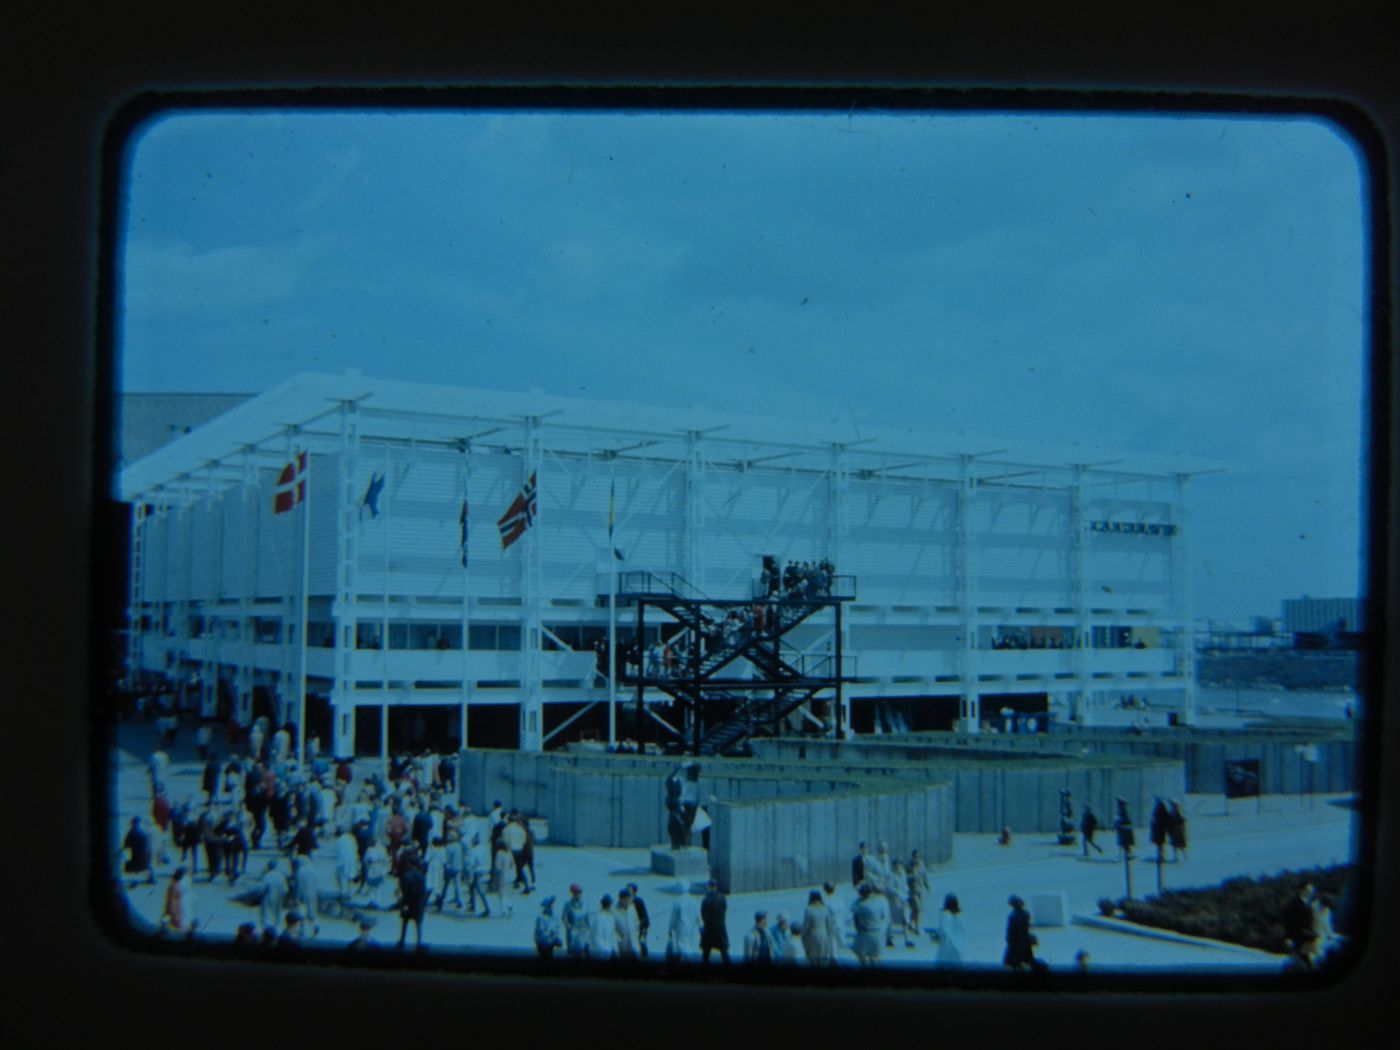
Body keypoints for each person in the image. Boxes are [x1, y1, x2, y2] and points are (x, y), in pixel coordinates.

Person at [850, 883, 889, 967]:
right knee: (875, 958)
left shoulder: (862, 905)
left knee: (860, 953)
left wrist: (858, 899)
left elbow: (852, 908)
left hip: (866, 933)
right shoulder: (879, 902)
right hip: (878, 932)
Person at [397, 852, 428, 950]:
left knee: (405, 922)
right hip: (418, 902)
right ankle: (419, 942)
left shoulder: (406, 875)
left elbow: (404, 892)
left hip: (409, 902)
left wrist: (402, 904)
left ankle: (402, 941)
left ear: (410, 864)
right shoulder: (421, 875)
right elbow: (424, 891)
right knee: (418, 923)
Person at [700, 878, 730, 964]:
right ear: (716, 887)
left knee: (706, 953)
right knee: (724, 952)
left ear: (709, 887)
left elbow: (703, 915)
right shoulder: (722, 898)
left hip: (709, 929)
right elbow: (724, 910)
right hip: (720, 928)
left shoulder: (706, 899)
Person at [1003, 895, 1037, 971]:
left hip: (1019, 938)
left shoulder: (1016, 915)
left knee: (1019, 956)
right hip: (1017, 939)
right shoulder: (1016, 915)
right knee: (1018, 956)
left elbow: (1022, 927)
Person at [800, 890, 834, 965]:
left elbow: (806, 926)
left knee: (814, 961)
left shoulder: (809, 909)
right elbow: (829, 926)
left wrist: (801, 936)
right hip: (824, 937)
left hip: (813, 938)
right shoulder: (825, 908)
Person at [162, 867, 195, 937]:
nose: (188, 877)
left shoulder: (177, 885)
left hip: (180, 914)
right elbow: (173, 904)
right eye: (186, 875)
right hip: (178, 916)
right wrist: (176, 916)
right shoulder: (176, 886)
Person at [123, 817, 156, 885]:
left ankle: (134, 881)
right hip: (144, 853)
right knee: (147, 865)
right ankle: (151, 878)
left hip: (136, 854)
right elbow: (148, 843)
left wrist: (124, 848)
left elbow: (126, 844)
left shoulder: (131, 833)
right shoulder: (142, 832)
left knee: (133, 867)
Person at [258, 859, 289, 932]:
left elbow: (262, 888)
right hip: (278, 898)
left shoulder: (267, 875)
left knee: (267, 914)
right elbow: (285, 890)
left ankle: (268, 930)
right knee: (277, 914)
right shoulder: (281, 876)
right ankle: (276, 930)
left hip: (268, 897)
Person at [936, 893, 966, 966]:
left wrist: (936, 934)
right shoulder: (960, 916)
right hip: (958, 949)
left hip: (946, 949)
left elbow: (943, 931)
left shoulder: (945, 916)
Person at [563, 883, 591, 957]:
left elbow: (587, 917)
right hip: (573, 936)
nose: (579, 895)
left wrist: (588, 928)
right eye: (577, 893)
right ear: (573, 894)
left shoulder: (584, 904)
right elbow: (564, 918)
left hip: (584, 934)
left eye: (579, 893)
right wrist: (569, 927)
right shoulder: (568, 905)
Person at [589, 895, 618, 959]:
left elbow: (612, 935)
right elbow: (597, 937)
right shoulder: (599, 917)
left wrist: (615, 949)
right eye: (609, 905)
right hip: (599, 952)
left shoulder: (611, 917)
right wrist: (603, 950)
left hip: (608, 950)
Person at [614, 888, 640, 959]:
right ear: (622, 899)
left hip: (633, 945)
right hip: (622, 947)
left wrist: (636, 934)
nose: (629, 900)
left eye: (629, 898)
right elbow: (612, 929)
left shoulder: (632, 908)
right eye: (627, 898)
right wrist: (618, 940)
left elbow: (637, 922)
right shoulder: (614, 911)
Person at [628, 882, 651, 958]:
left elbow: (644, 915)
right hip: (630, 927)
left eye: (629, 890)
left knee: (641, 943)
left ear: (634, 891)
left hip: (640, 926)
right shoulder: (626, 901)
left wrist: (644, 927)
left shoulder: (638, 901)